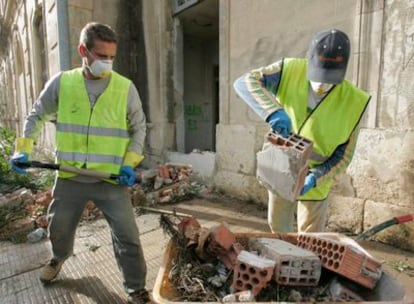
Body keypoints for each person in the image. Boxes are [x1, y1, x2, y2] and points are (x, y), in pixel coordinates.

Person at [9, 22, 150, 304]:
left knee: (129, 237)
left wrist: (129, 164)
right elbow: (36, 115)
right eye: (101, 56)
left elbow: (139, 128)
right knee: (58, 228)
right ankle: (59, 257)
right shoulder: (64, 83)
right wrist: (23, 149)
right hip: (70, 177)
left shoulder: (125, 88)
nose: (107, 62)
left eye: (112, 56)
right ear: (83, 51)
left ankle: (135, 288)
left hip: (109, 180)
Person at [233, 29, 371, 233]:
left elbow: (344, 156)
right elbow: (244, 82)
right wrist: (273, 112)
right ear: (309, 60)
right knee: (279, 230)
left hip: (316, 177)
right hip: (280, 166)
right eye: (318, 75)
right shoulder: (289, 69)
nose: (321, 84)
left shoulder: (355, 101)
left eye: (329, 78)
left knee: (311, 238)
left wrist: (315, 178)